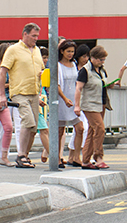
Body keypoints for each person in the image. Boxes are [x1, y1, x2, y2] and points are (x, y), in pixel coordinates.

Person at [75, 46, 109, 169]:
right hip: (90, 104)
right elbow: (78, 88)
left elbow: (102, 84)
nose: (102, 62)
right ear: (93, 58)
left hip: (100, 103)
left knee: (92, 131)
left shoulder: (101, 70)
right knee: (100, 128)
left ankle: (85, 159)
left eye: (104, 59)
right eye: (100, 59)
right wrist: (77, 105)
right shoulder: (85, 71)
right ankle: (98, 156)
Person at [52, 40, 85, 168]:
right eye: (68, 51)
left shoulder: (74, 64)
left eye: (72, 51)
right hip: (62, 100)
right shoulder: (58, 65)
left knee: (80, 128)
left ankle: (76, 156)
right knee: (60, 130)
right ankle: (58, 156)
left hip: (73, 100)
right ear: (62, 51)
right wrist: (65, 99)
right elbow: (57, 84)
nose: (71, 54)